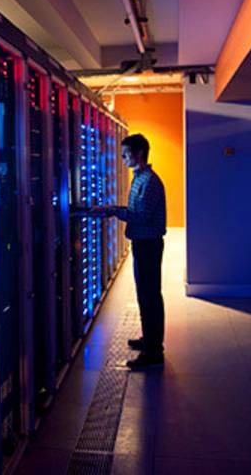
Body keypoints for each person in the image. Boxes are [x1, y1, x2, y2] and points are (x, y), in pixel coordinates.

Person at [88, 133, 166, 369]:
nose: (122, 159)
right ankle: (150, 340)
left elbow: (141, 216)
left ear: (139, 153)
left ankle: (153, 352)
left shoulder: (149, 181)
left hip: (148, 244)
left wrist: (111, 210)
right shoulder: (140, 178)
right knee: (145, 295)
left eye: (125, 154)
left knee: (150, 295)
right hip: (142, 243)